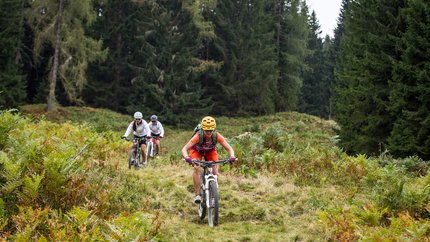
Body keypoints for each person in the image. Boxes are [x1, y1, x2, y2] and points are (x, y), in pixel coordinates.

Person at [181, 116, 236, 204]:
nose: (209, 132)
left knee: (215, 171)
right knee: (196, 168)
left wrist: (232, 156)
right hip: (197, 151)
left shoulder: (216, 135)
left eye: (211, 130)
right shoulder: (198, 136)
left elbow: (229, 148)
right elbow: (184, 149)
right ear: (203, 129)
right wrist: (187, 157)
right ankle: (198, 194)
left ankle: (214, 193)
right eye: (207, 130)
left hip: (210, 152)